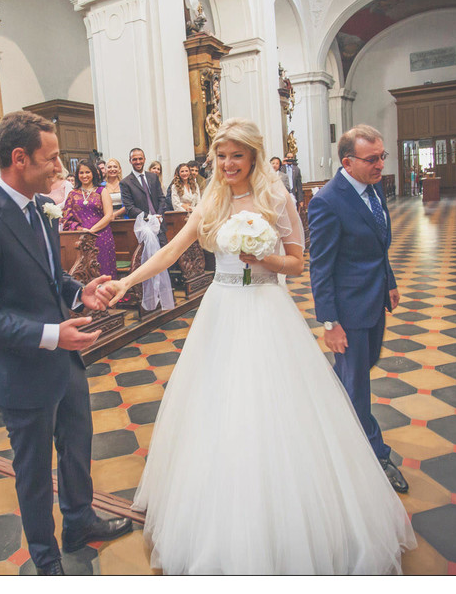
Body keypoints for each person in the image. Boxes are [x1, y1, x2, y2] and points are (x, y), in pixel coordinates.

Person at [100, 119, 415, 574]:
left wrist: (260, 258)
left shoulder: (275, 197)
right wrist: (126, 282)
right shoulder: (211, 198)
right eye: (221, 156)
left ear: (251, 157)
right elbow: (170, 250)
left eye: (236, 156)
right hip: (222, 309)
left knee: (277, 412)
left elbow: (296, 263)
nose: (227, 165)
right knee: (218, 411)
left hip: (267, 307)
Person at [0, 111, 131, 576]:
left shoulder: (40, 208)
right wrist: (51, 334)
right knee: (33, 474)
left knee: (77, 447)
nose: (60, 168)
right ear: (19, 158)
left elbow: (50, 276)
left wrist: (78, 292)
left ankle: (79, 521)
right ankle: (47, 560)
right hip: (23, 369)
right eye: (51, 158)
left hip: (63, 364)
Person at [309, 125, 409, 494]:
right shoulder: (327, 202)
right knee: (357, 385)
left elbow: (379, 244)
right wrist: (330, 323)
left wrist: (391, 280)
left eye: (382, 156)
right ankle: (372, 455)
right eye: (373, 159)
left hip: (375, 299)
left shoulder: (374, 187)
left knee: (356, 375)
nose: (381, 164)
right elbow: (320, 267)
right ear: (348, 162)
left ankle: (328, 424)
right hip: (348, 312)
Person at [61, 160, 117, 277]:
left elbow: (109, 215)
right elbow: (66, 219)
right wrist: (81, 230)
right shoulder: (72, 194)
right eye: (81, 173)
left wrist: (92, 230)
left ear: (93, 174)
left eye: (87, 172)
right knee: (84, 273)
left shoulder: (102, 191)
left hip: (102, 236)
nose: (84, 175)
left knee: (104, 270)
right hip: (81, 238)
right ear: (77, 175)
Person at [120, 147, 168, 244]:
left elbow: (161, 198)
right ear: (130, 161)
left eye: (140, 158)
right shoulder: (125, 183)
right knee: (148, 257)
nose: (138, 162)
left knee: (165, 255)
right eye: (134, 159)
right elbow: (129, 207)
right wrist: (149, 217)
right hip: (142, 226)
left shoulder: (153, 177)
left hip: (159, 224)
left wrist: (158, 216)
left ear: (144, 159)